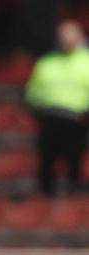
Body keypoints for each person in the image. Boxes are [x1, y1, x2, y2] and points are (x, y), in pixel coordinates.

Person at [26, 20, 89, 196]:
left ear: (79, 37)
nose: (65, 38)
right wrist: (37, 107)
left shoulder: (87, 62)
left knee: (74, 161)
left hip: (77, 120)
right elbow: (33, 92)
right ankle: (46, 196)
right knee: (46, 164)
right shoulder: (46, 62)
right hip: (49, 119)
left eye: (69, 34)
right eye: (62, 34)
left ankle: (74, 192)